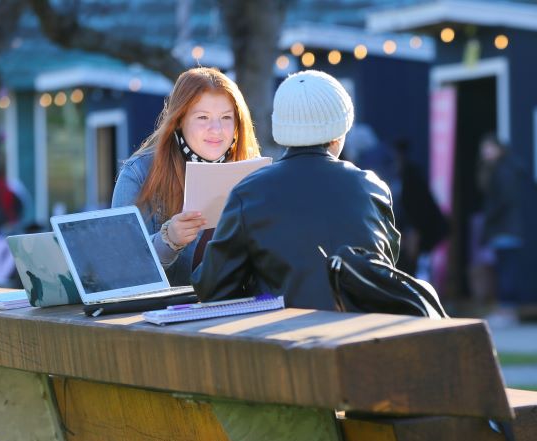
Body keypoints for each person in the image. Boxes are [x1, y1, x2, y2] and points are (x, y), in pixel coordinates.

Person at [192, 70, 400, 310]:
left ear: (281, 130)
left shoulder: (248, 192)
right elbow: (387, 272)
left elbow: (212, 288)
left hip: (284, 341)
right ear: (339, 133)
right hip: (364, 340)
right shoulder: (373, 187)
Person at [112, 66, 260, 285]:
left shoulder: (253, 173)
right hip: (164, 315)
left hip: (239, 311)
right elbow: (120, 269)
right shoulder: (139, 172)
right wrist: (169, 240)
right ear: (179, 120)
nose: (216, 129)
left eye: (226, 117)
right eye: (203, 117)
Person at [476, 133, 525, 325]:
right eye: (484, 148)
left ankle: (507, 311)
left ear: (499, 149)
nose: (485, 152)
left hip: (505, 229)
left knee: (506, 270)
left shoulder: (503, 171)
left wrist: (490, 218)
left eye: (489, 148)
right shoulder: (500, 169)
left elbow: (503, 200)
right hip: (504, 228)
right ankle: (506, 309)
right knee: (505, 269)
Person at [392, 139, 448, 277]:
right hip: (417, 230)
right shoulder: (403, 175)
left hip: (422, 230)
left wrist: (414, 232)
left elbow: (418, 210)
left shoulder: (411, 178)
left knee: (419, 268)